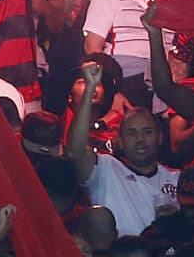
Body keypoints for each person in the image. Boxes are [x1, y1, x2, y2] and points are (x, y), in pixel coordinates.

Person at [68, 68, 181, 238]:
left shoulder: (177, 179)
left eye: (147, 131)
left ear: (160, 137)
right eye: (132, 133)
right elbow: (74, 151)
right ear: (119, 140)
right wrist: (90, 88)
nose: (140, 139)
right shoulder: (105, 170)